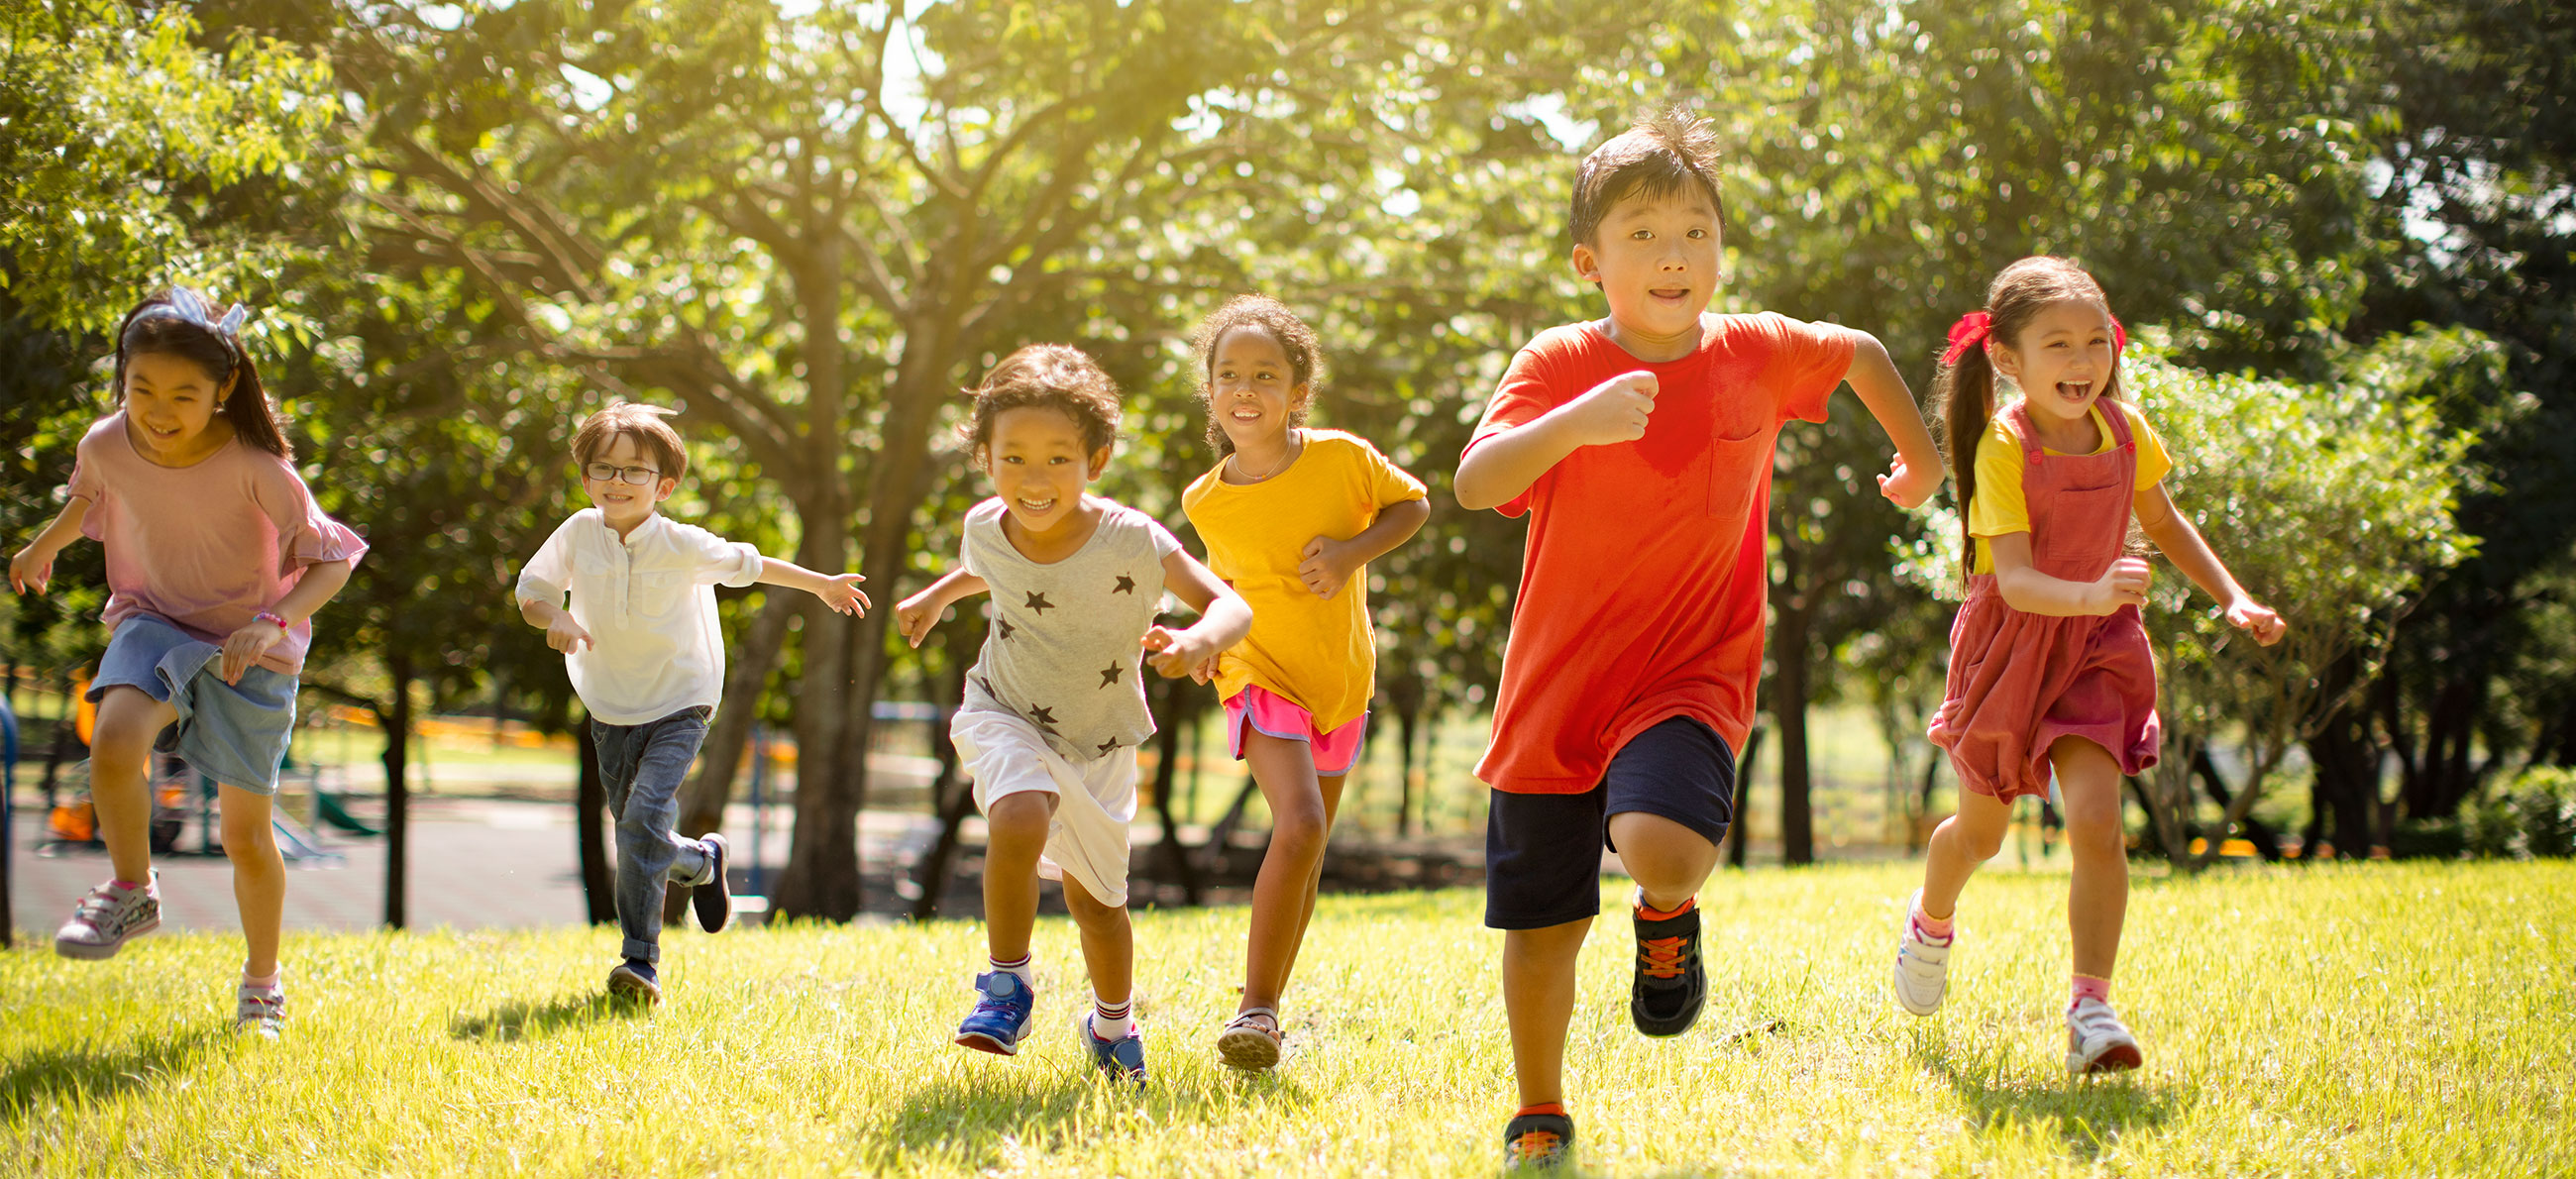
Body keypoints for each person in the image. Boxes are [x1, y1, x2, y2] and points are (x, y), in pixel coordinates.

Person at [1451, 109, 1943, 1169]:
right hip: (1551, 690)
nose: (1673, 255)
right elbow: (1476, 479)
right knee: (1539, 925)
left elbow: (1855, 351)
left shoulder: (1754, 352)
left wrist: (1922, 461)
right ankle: (1539, 1106)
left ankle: (1664, 911)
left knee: (1664, 845)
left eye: (1694, 231)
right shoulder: (1555, 361)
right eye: (1642, 234)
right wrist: (1571, 422)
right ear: (1590, 261)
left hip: (1687, 672)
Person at [1894, 255, 2287, 1073]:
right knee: (1980, 834)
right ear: (2008, 358)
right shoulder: (2004, 446)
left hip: (2098, 649)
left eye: (2094, 344)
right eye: (2058, 346)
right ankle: (1931, 923)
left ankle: (2091, 1008)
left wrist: (2233, 596)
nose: (2082, 364)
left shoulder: (2126, 428)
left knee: (2099, 825)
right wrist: (2098, 589)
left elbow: (2167, 523)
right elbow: (2018, 581)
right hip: (2014, 647)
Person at [10, 288, 369, 1037]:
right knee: (111, 742)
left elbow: (331, 563)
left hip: (250, 648)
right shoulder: (107, 442)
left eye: (182, 394)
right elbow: (91, 496)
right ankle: (132, 888)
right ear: (121, 381)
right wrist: (48, 542)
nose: (158, 410)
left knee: (244, 837)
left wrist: (273, 622)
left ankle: (262, 983)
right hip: (154, 619)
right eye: (141, 389)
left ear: (223, 389)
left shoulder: (258, 467)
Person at [896, 344, 1252, 1085]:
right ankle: (1006, 986)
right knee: (1020, 814)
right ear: (984, 458)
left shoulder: (1133, 538)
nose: (1035, 479)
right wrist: (936, 595)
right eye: (1014, 458)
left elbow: (1231, 603)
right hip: (1005, 707)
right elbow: (989, 568)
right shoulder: (984, 526)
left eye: (1058, 459)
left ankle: (1113, 1024)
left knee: (1098, 907)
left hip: (1102, 736)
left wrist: (1197, 640)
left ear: (1096, 458)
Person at [514, 401, 868, 1005]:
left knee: (640, 820)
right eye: (605, 469)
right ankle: (701, 863)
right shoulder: (577, 532)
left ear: (665, 484)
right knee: (637, 829)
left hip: (682, 700)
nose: (618, 482)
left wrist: (822, 585)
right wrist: (557, 618)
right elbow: (532, 592)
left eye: (635, 471)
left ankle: (639, 962)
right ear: (586, 479)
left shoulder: (681, 543)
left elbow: (751, 565)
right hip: (609, 705)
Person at [1178, 295, 1430, 1070]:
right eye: (1229, 375)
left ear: (1298, 392)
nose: (1244, 387)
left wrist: (1354, 552)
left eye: (1265, 373)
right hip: (1256, 671)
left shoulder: (1342, 458)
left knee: (1309, 842)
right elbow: (1214, 586)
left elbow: (1412, 504)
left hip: (1339, 676)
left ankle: (1267, 1020)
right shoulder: (1204, 500)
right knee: (1300, 825)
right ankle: (1254, 1008)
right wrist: (1195, 640)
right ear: (1212, 392)